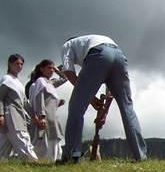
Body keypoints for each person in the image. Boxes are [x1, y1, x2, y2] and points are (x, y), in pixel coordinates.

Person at [60, 34, 146, 163]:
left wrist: (90, 98)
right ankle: (140, 155)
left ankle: (72, 154)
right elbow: (110, 89)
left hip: (97, 55)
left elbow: (68, 71)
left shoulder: (68, 45)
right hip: (119, 56)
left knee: (76, 107)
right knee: (127, 107)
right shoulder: (89, 40)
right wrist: (104, 110)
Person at [27, 59, 67, 161]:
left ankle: (54, 161)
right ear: (42, 69)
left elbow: (64, 78)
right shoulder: (40, 81)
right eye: (49, 68)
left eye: (53, 68)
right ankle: (45, 161)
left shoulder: (49, 83)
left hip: (52, 115)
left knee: (54, 140)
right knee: (45, 141)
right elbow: (39, 99)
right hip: (46, 116)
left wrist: (58, 102)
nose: (52, 70)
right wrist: (41, 116)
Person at [0, 54, 38, 161]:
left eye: (21, 64)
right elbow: (0, 98)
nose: (20, 66)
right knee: (23, 139)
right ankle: (34, 163)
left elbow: (25, 102)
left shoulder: (18, 83)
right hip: (11, 115)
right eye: (17, 63)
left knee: (4, 146)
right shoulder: (7, 80)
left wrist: (34, 115)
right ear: (10, 64)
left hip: (18, 115)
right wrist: (1, 115)